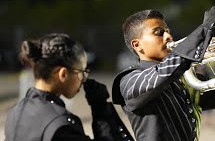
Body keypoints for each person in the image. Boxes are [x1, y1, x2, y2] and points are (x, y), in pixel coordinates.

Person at [112, 8, 215, 141]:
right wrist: (204, 31)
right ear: (137, 45)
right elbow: (163, 74)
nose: (168, 37)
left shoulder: (184, 79)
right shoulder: (128, 80)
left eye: (168, 31)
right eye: (158, 33)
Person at [5, 33, 133, 141]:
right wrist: (101, 109)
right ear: (63, 74)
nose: (83, 79)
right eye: (81, 72)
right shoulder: (60, 124)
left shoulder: (16, 112)